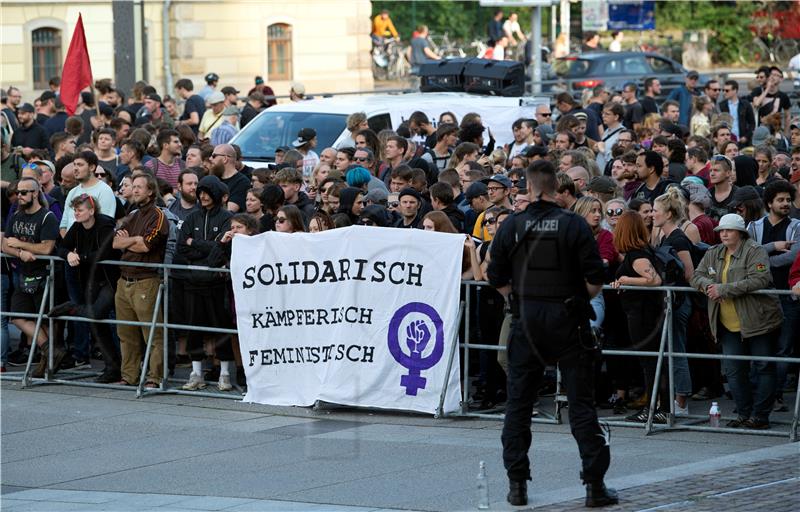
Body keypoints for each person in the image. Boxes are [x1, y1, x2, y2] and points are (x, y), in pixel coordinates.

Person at [487, 160, 616, 508]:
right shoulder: (573, 224)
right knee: (581, 406)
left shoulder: (512, 225)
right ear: (556, 189)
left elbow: (494, 274)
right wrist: (572, 299)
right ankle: (594, 485)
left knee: (518, 404)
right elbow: (595, 278)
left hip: (526, 320)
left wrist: (516, 301)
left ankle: (517, 485)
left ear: (529, 188)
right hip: (567, 318)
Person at [690, 214, 783, 429]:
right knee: (733, 370)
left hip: (758, 320)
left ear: (740, 233)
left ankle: (760, 416)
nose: (723, 234)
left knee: (764, 367)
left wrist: (724, 289)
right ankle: (743, 414)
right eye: (721, 230)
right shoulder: (713, 252)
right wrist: (709, 287)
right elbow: (696, 275)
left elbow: (761, 278)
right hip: (727, 323)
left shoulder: (755, 250)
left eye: (729, 230)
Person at [50, 194, 121, 383]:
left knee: (97, 314)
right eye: (75, 210)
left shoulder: (105, 223)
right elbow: (61, 247)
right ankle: (112, 367)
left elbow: (105, 251)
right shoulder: (77, 227)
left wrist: (79, 256)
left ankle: (72, 308)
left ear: (91, 211)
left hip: (109, 279)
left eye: (80, 210)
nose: (76, 214)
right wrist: (68, 256)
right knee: (98, 324)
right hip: (90, 280)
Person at [176, 175, 235, 391]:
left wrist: (197, 244)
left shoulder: (227, 218)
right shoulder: (192, 218)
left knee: (221, 328)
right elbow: (182, 247)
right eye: (200, 192)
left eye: (207, 192)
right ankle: (196, 373)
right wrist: (211, 245)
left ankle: (226, 374)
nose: (202, 195)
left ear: (217, 195)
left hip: (217, 285)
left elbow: (223, 250)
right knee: (193, 329)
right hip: (193, 283)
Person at [745, 181, 800, 412]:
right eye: (781, 200)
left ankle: (774, 396)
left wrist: (762, 260)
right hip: (759, 296)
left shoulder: (796, 225)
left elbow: (794, 256)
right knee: (760, 348)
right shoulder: (754, 226)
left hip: (788, 296)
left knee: (783, 348)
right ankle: (760, 397)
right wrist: (772, 246)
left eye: (788, 199)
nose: (786, 203)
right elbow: (745, 254)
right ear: (769, 203)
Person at [2, 177, 63, 378]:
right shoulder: (16, 216)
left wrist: (20, 245)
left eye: (24, 192)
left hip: (44, 274)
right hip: (23, 273)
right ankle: (48, 349)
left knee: (44, 320)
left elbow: (46, 247)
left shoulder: (47, 217)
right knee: (17, 317)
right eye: (18, 192)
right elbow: (4, 245)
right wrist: (20, 254)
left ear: (35, 193)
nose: (19, 196)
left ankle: (46, 363)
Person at [113, 172, 169, 387]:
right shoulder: (132, 215)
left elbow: (146, 245)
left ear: (151, 191)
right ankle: (129, 376)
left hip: (146, 280)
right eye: (133, 186)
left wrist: (130, 240)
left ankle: (154, 378)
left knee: (153, 333)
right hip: (123, 279)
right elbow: (115, 243)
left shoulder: (158, 215)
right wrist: (133, 240)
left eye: (139, 187)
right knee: (125, 333)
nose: (134, 190)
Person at [611, 211, 667, 423]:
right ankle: (657, 407)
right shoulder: (639, 252)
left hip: (643, 314)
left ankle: (655, 408)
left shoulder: (637, 255)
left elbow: (654, 280)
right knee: (650, 361)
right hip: (642, 312)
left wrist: (626, 279)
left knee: (649, 361)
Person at [653, 188, 695, 416]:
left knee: (676, 348)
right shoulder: (665, 236)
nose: (652, 214)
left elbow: (689, 273)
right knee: (671, 348)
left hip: (678, 302)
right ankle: (676, 399)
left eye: (656, 211)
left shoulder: (678, 238)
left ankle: (681, 402)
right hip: (670, 302)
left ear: (668, 214)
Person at [719, 80, 755, 146]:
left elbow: (752, 123)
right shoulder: (721, 105)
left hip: (742, 141)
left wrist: (746, 137)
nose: (724, 92)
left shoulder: (745, 104)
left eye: (727, 90)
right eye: (723, 90)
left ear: (735, 90)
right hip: (727, 140)